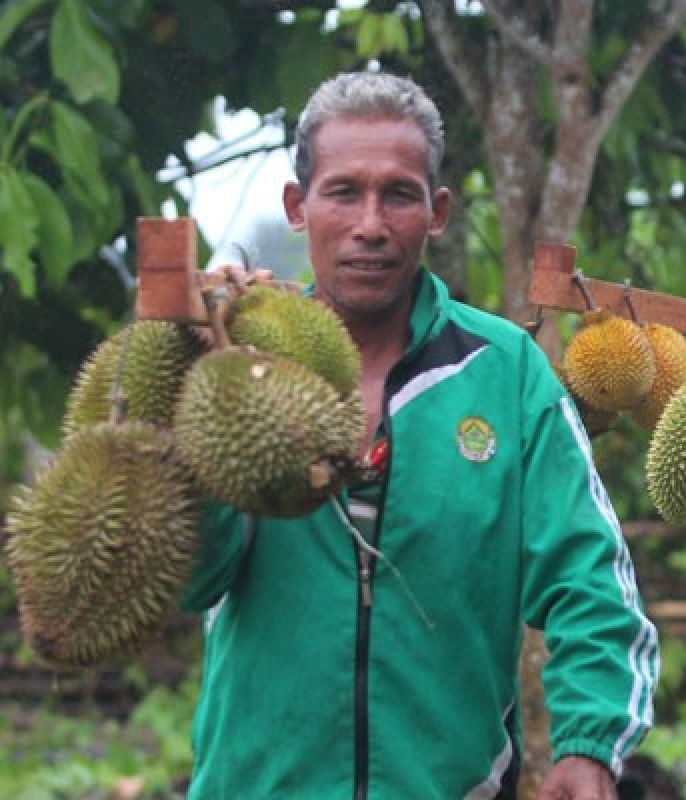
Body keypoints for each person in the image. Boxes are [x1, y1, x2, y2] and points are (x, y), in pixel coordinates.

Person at [180, 72, 660, 800]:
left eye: (398, 194)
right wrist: (195, 392)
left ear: (436, 212)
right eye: (343, 192)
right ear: (297, 207)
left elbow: (589, 575)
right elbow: (194, 578)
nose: (370, 224)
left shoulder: (505, 374)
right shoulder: (242, 370)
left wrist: (588, 743)